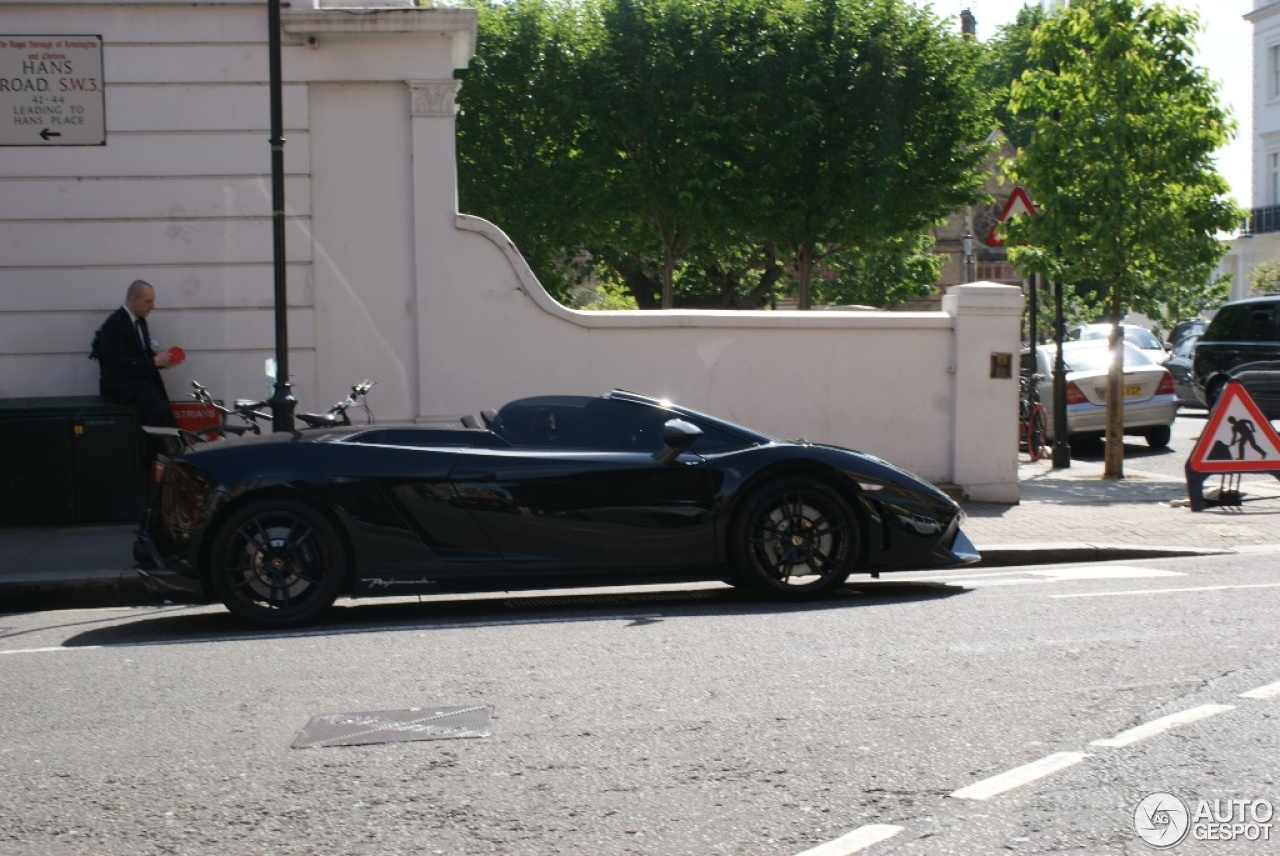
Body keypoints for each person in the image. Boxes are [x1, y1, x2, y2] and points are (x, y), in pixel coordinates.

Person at [94, 279, 180, 428]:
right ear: (133, 300)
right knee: (158, 411)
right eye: (148, 302)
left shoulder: (140, 322)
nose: (152, 307)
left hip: (139, 381)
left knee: (164, 407)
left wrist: (164, 361)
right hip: (122, 385)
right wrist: (154, 362)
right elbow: (117, 364)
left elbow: (142, 354)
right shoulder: (114, 324)